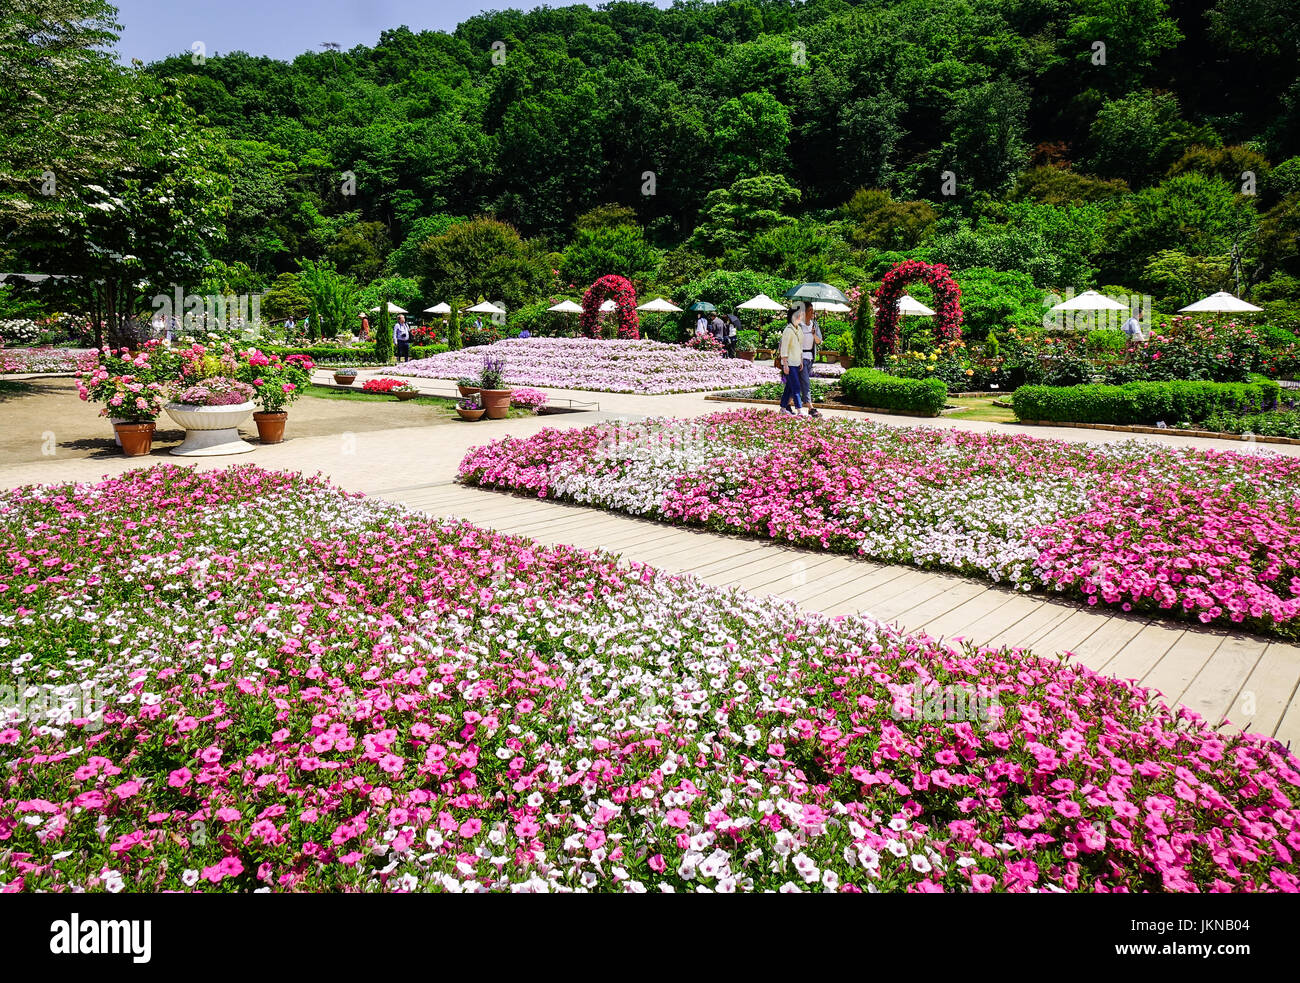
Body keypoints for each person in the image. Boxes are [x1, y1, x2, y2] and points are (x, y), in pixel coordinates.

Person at [778, 310, 805, 416]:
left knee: (789, 386)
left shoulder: (799, 330)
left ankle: (783, 408)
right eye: (799, 315)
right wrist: (785, 364)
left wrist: (801, 360)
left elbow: (800, 346)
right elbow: (784, 349)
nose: (801, 317)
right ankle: (799, 410)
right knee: (796, 386)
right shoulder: (788, 330)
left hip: (797, 362)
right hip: (789, 363)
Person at [799, 305, 823, 417]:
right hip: (800, 357)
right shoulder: (798, 325)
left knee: (799, 383)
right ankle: (810, 408)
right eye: (810, 310)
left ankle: (786, 404)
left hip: (810, 357)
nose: (812, 312)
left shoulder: (815, 325)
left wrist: (814, 334)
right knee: (806, 382)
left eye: (813, 310)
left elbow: (818, 341)